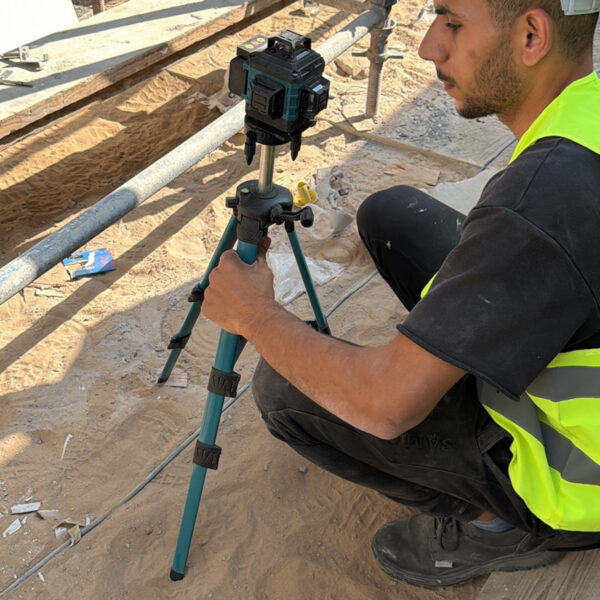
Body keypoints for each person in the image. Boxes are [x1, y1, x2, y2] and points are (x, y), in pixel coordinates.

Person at [201, 0, 600, 587]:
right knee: (392, 216)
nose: (429, 46)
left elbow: (386, 406)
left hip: (580, 477)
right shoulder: (584, 120)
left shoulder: (536, 204)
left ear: (533, 35)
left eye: (453, 23)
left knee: (284, 390)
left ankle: (500, 525)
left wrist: (255, 315)